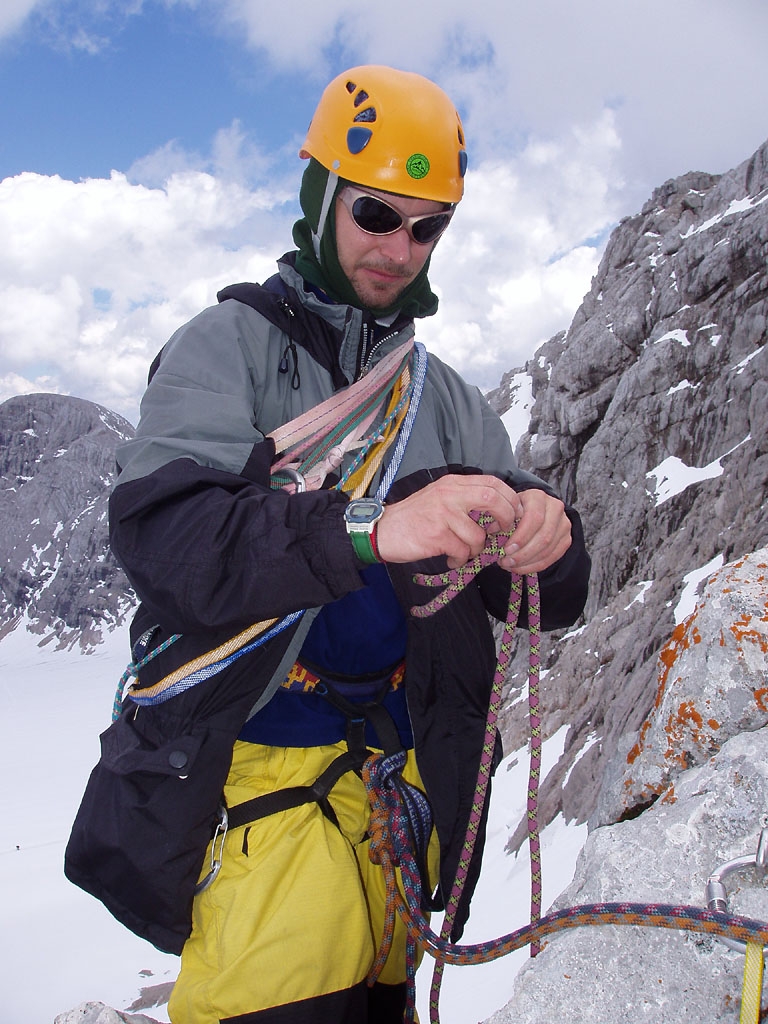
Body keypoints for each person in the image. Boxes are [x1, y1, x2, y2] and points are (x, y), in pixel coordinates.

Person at [71, 65, 590, 1023]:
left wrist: (551, 542)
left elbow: (555, 600)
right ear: (322, 198)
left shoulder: (445, 401)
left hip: (396, 794)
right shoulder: (224, 350)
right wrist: (372, 529)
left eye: (427, 226)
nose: (401, 248)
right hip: (260, 781)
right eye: (377, 214)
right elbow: (168, 535)